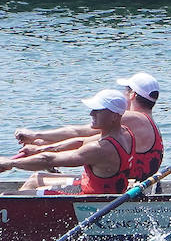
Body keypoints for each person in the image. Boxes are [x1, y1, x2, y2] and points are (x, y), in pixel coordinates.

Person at [13, 71, 163, 186]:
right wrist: (43, 146)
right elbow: (84, 141)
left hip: (119, 186)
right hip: (126, 182)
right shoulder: (149, 123)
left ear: (132, 94)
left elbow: (78, 133)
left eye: (126, 89)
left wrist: (35, 135)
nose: (123, 93)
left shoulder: (130, 118)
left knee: (34, 180)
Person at [0, 90, 137, 196]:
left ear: (114, 116)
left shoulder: (101, 149)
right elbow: (80, 141)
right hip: (99, 187)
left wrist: (10, 163)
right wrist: (39, 148)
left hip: (89, 198)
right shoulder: (126, 133)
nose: (91, 114)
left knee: (11, 196)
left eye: (97, 110)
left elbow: (48, 160)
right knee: (35, 179)